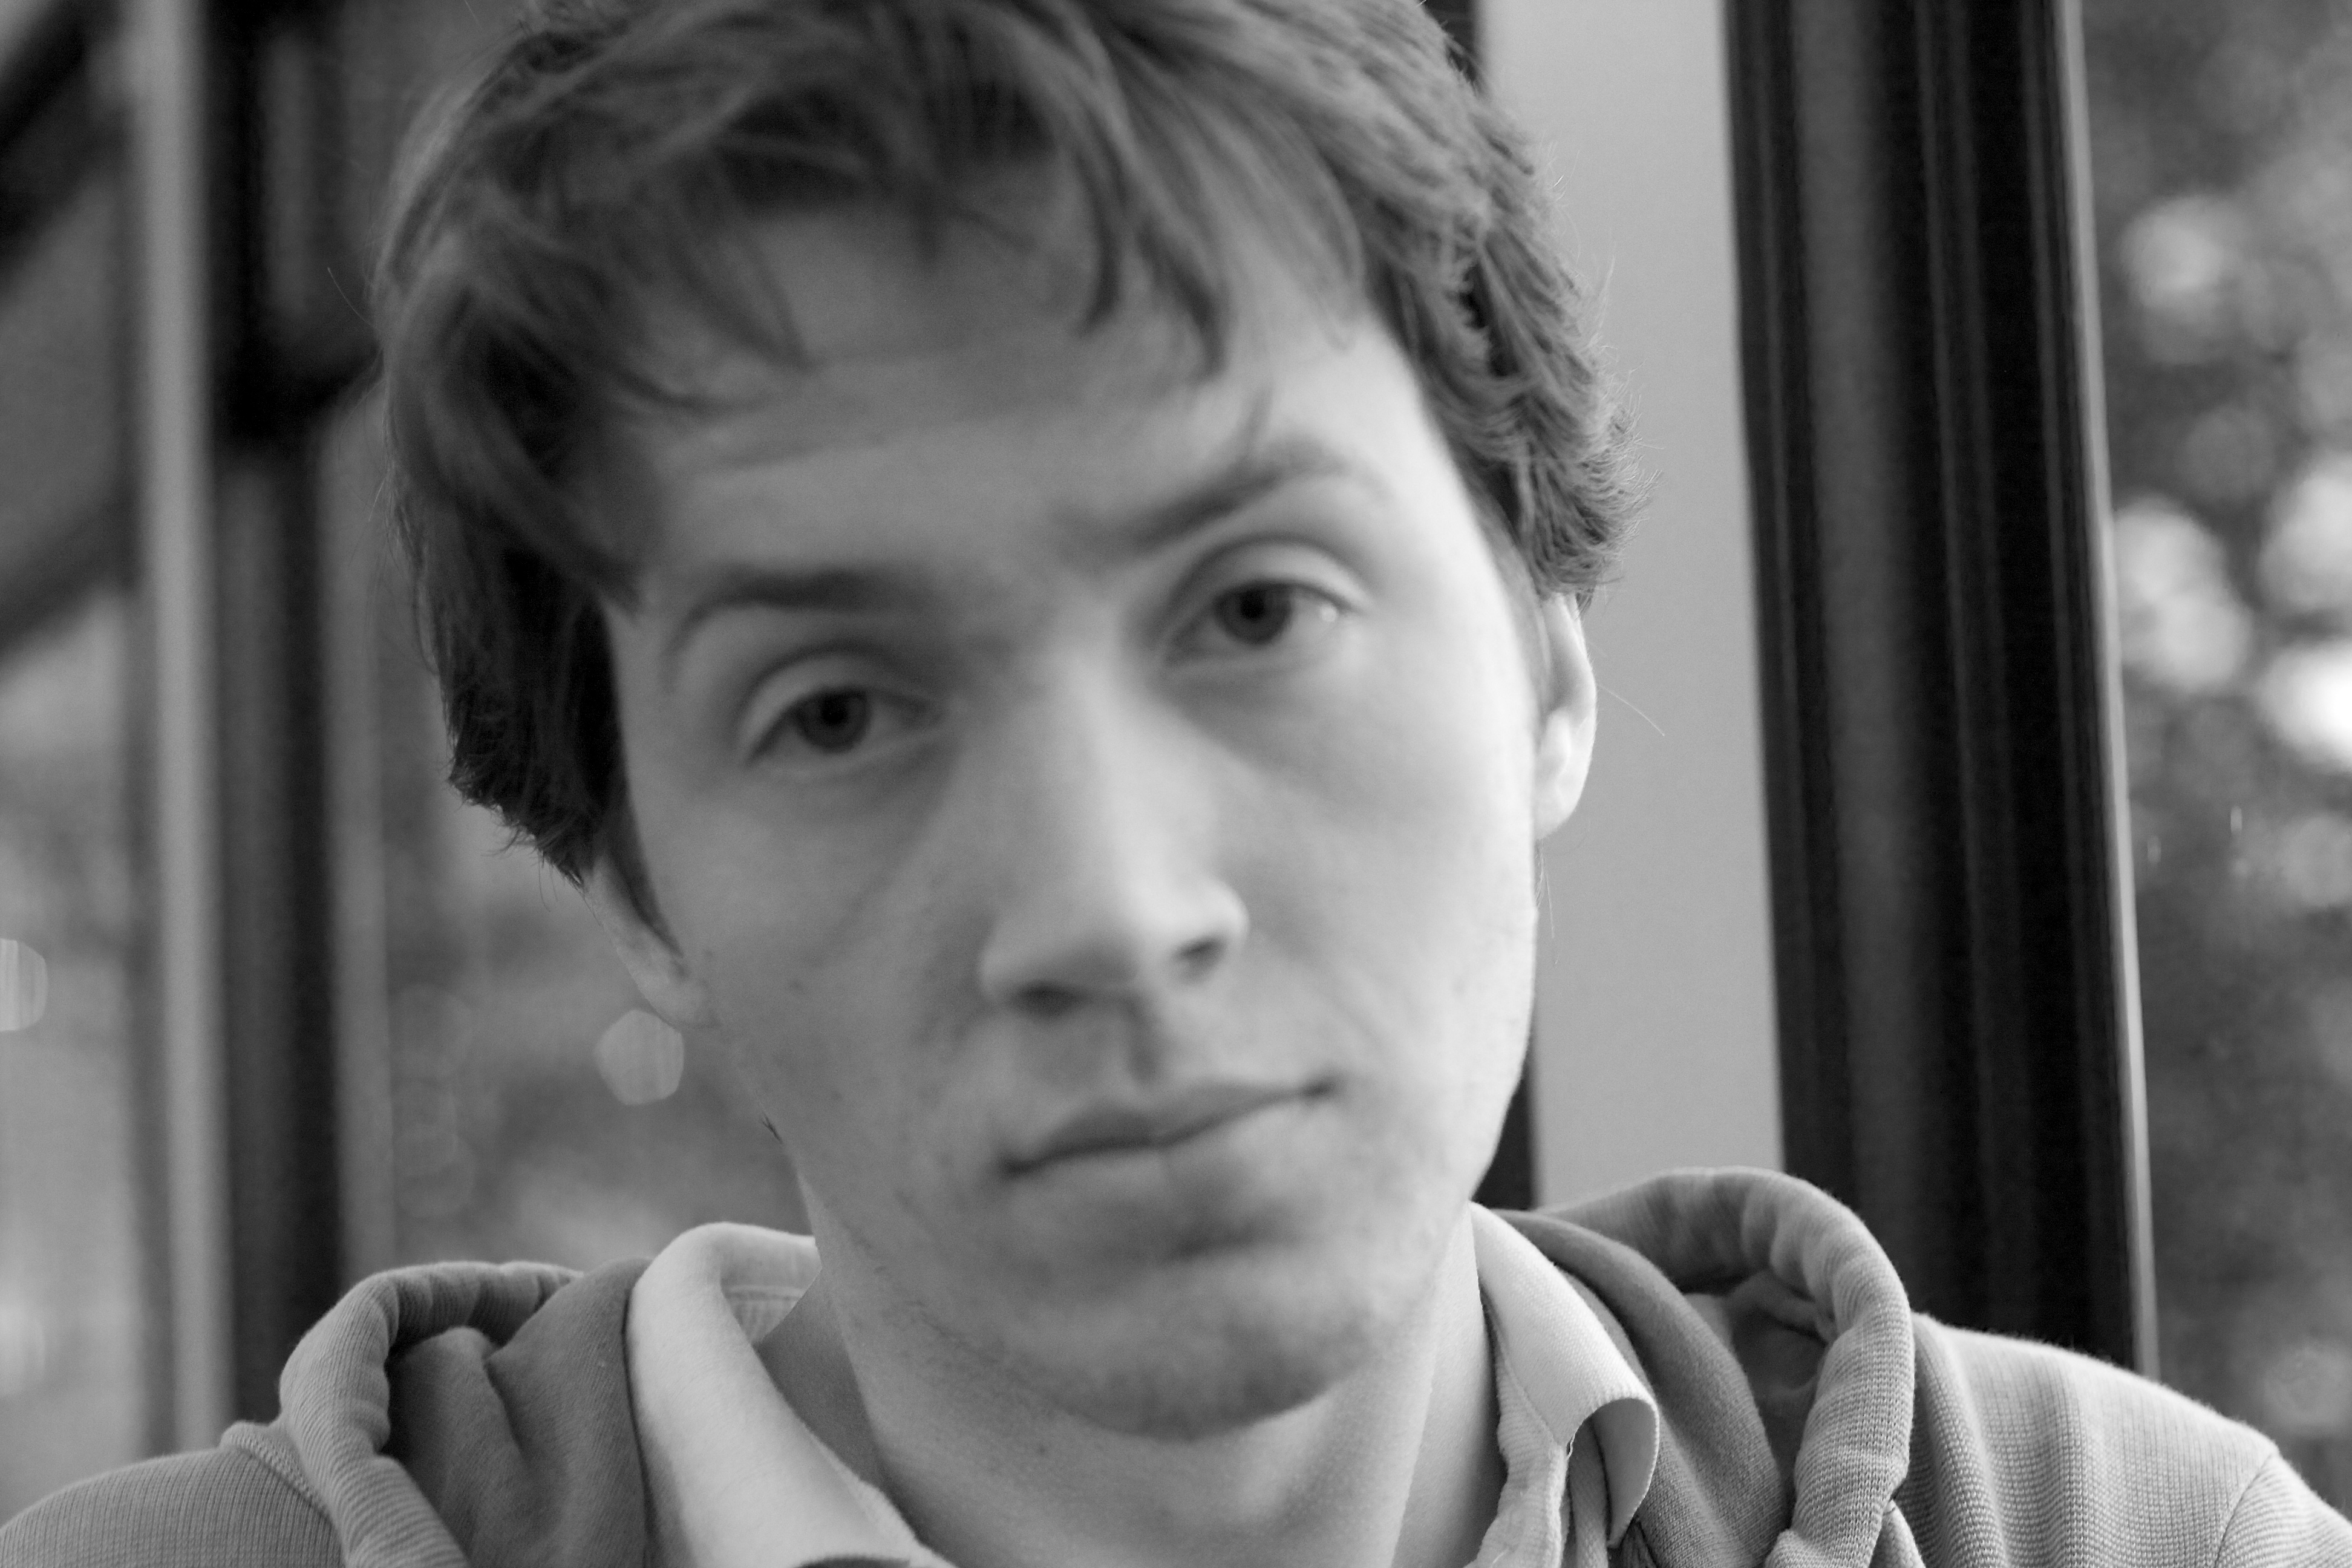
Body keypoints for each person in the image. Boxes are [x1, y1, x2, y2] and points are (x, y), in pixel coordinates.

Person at [7, 1, 2351, 1563]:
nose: (1114, 908)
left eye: (1255, 611)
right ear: (634, 885)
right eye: (836, 711)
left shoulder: (2139, 1538)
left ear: (1548, 663)